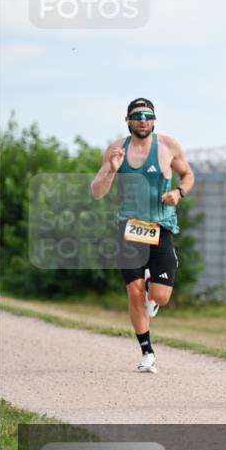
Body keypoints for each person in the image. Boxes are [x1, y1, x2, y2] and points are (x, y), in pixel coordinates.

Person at [90, 98, 194, 374]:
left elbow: (188, 175)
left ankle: (153, 286)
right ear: (128, 120)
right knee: (134, 293)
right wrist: (111, 171)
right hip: (129, 227)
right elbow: (97, 192)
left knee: (160, 297)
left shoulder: (168, 146)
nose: (143, 120)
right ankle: (147, 352)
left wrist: (179, 193)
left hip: (160, 227)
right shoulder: (115, 151)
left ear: (155, 120)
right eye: (137, 116)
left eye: (148, 115)